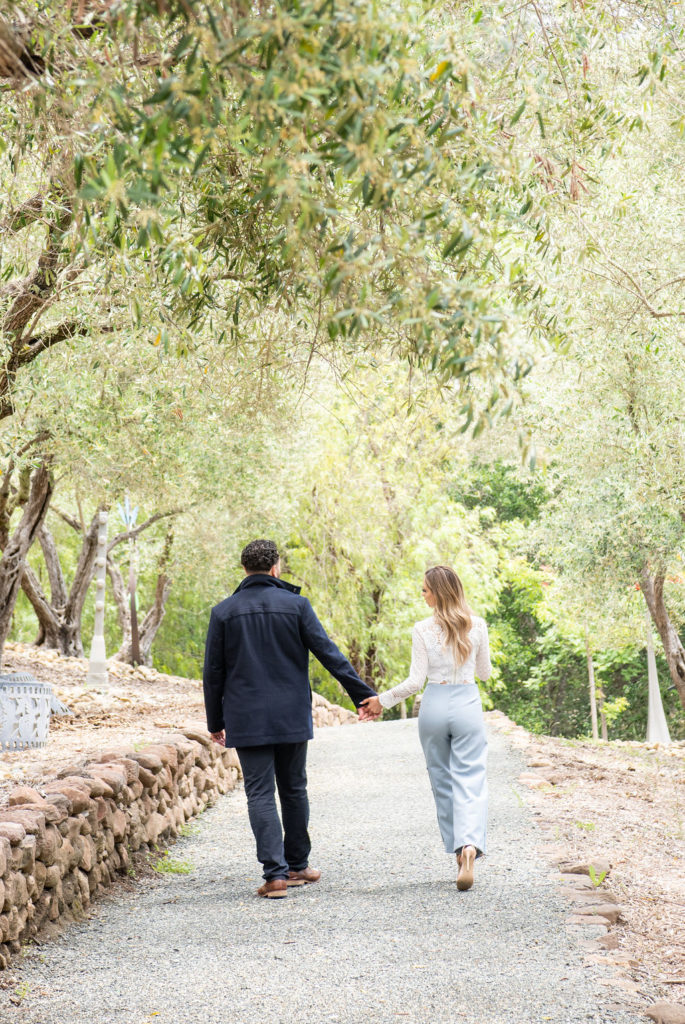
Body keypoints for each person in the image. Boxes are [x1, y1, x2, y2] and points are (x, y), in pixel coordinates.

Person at [203, 539, 377, 899]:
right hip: (291, 714)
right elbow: (328, 653)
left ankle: (275, 876)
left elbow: (213, 673)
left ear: (244, 568)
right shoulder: (296, 605)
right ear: (275, 567)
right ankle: (297, 865)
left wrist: (214, 721)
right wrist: (361, 695)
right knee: (294, 788)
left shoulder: (223, 612)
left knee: (260, 792)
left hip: (247, 717)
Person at [360, 565, 491, 891]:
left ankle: (458, 850)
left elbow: (415, 682)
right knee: (471, 778)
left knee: (442, 779)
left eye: (425, 590)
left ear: (438, 594)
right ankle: (470, 844)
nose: (423, 595)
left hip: (434, 705)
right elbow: (485, 674)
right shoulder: (477, 625)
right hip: (467, 703)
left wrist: (381, 700)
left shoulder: (422, 629)